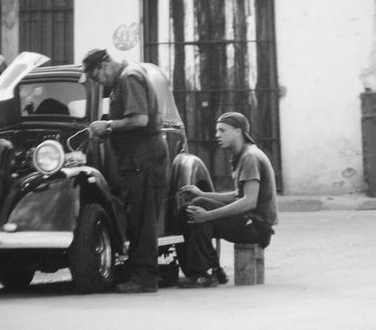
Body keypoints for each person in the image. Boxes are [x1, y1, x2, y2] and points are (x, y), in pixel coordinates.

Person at [82, 49, 169, 294]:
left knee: (143, 219)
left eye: (98, 77)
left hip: (144, 156)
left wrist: (107, 124)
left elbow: (139, 119)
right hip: (137, 157)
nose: (100, 82)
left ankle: (145, 278)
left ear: (105, 64)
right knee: (137, 216)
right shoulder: (126, 75)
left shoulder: (128, 77)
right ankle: (138, 271)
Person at [177, 112, 278, 288]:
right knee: (191, 209)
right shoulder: (244, 155)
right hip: (251, 222)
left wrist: (208, 215)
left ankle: (204, 273)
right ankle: (212, 270)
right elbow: (237, 195)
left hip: (256, 227)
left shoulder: (250, 158)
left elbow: (249, 201)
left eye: (222, 130)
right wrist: (202, 194)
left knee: (197, 210)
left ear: (238, 131)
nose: (217, 135)